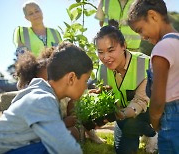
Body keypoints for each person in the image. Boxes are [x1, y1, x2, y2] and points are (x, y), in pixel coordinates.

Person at [0, 42, 93, 154]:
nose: (86, 86)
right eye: (85, 80)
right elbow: (65, 147)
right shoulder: (43, 100)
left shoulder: (46, 95)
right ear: (71, 78)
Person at [14, 47, 104, 144]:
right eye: (47, 80)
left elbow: (73, 111)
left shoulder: (63, 98)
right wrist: (64, 123)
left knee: (74, 132)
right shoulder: (39, 99)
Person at [94, 20, 156, 154]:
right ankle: (142, 129)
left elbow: (140, 100)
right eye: (100, 52)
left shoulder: (145, 63)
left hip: (149, 111)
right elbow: (108, 98)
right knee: (123, 150)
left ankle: (153, 130)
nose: (106, 57)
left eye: (111, 50)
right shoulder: (102, 70)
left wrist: (122, 114)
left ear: (124, 46)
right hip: (124, 117)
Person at [128, 0, 179, 153]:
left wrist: (155, 122)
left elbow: (158, 98)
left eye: (140, 30)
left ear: (152, 16)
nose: (142, 37)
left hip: (171, 118)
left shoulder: (161, 49)